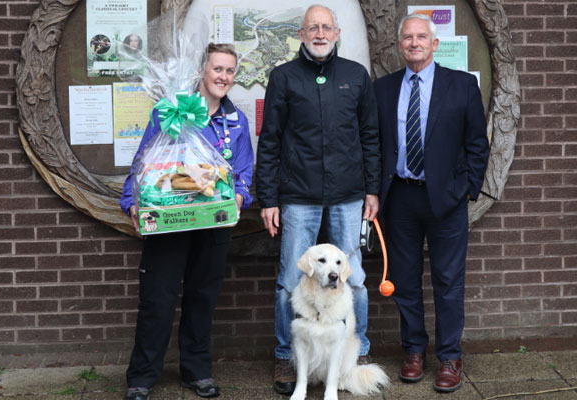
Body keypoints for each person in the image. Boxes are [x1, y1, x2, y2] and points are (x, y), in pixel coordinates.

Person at [255, 4, 381, 395]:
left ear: (337, 33)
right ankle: (285, 356)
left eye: (327, 27)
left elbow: (371, 138)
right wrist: (268, 198)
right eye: (313, 28)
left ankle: (355, 354)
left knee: (354, 280)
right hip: (298, 196)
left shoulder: (356, 77)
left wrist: (372, 189)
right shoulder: (283, 77)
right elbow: (271, 140)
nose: (320, 33)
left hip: (348, 196)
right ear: (301, 34)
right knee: (290, 280)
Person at [120, 43, 254, 400]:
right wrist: (132, 200)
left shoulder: (236, 121)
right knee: (157, 300)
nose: (223, 76)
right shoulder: (171, 111)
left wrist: (239, 196)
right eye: (217, 69)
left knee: (202, 298)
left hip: (212, 223)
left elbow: (242, 172)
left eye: (229, 71)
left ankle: (196, 371)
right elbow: (145, 161)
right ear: (202, 72)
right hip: (169, 222)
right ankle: (143, 377)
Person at [372, 13, 490, 393]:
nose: (414, 43)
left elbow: (477, 144)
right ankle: (414, 351)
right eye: (407, 37)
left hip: (446, 200)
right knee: (405, 280)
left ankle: (451, 356)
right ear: (400, 45)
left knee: (448, 282)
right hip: (401, 197)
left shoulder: (461, 86)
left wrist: (468, 188)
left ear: (434, 44)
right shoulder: (383, 89)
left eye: (421, 37)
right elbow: (374, 147)